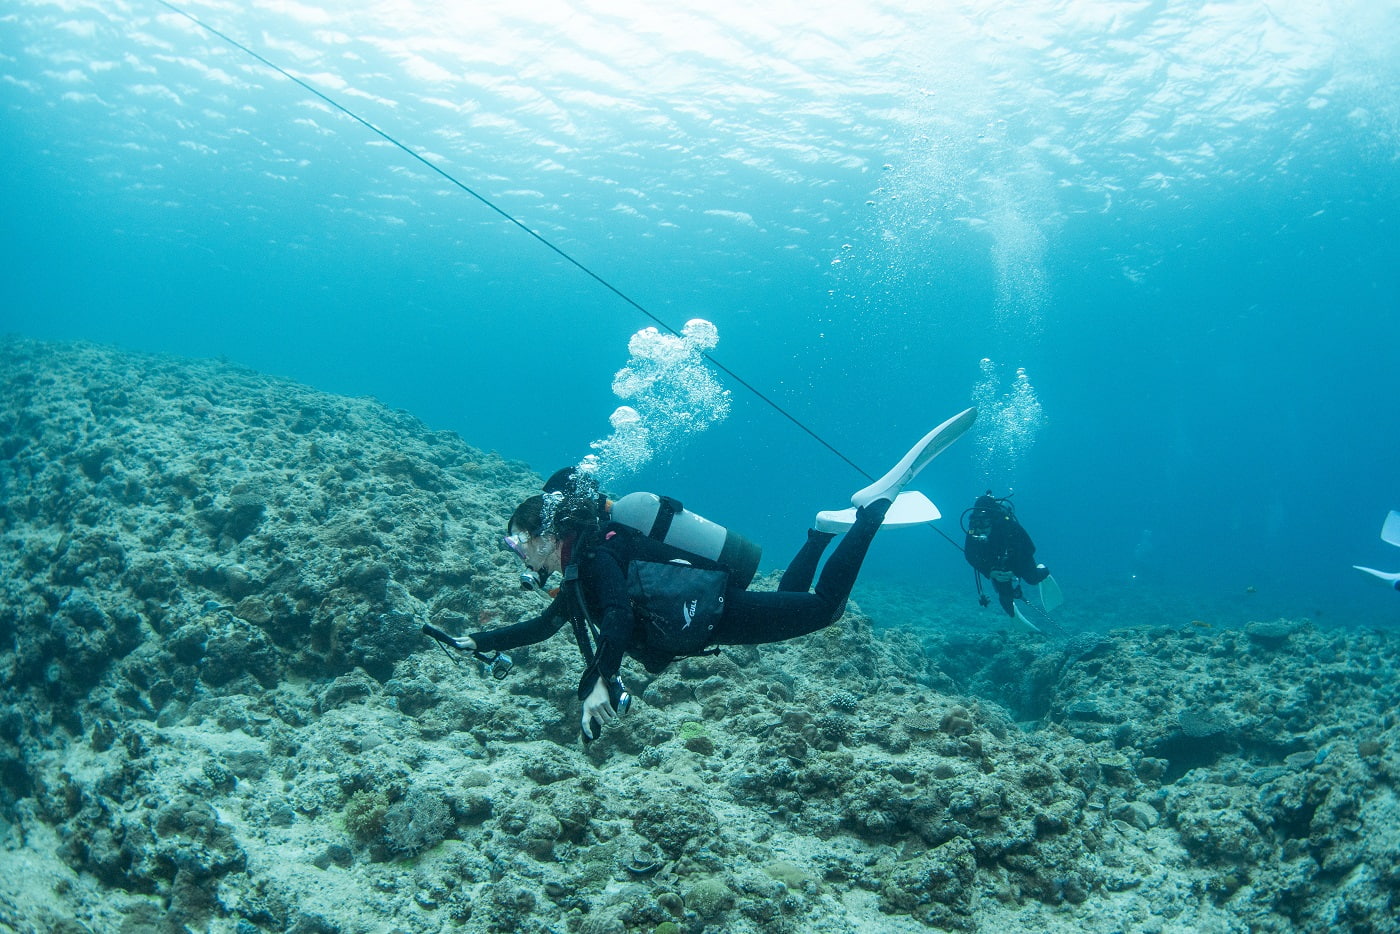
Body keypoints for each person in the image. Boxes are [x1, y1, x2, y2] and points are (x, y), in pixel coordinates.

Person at [446, 407, 976, 741]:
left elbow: (613, 618)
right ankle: (819, 532)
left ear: (547, 534)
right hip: (709, 612)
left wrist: (601, 682)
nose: (519, 554)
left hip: (712, 612)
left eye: (519, 542)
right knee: (791, 600)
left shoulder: (595, 558)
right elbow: (543, 627)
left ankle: (874, 508)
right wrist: (478, 640)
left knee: (824, 609)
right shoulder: (580, 572)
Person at [963, 491, 1050, 617]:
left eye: (985, 522)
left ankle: (1042, 570)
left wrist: (1016, 570)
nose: (981, 527)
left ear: (992, 519)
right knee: (1005, 594)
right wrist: (989, 571)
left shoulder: (1009, 526)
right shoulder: (973, 529)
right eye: (977, 522)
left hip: (1018, 557)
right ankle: (1013, 617)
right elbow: (969, 555)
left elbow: (1030, 548)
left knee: (1032, 579)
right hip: (995, 564)